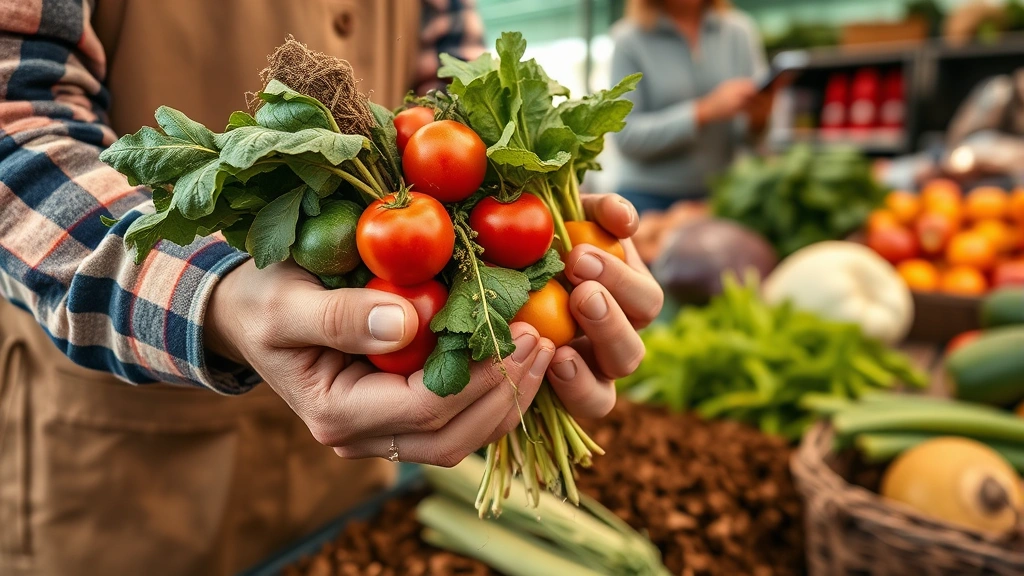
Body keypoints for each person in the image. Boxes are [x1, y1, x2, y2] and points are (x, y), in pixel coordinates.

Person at [0, 1, 663, 574]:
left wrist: (556, 253)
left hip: (354, 479)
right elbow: (14, 127)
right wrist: (218, 295)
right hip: (121, 483)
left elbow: (451, 103)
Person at [611, 0, 768, 213]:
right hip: (646, 199)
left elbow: (748, 138)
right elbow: (626, 136)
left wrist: (759, 118)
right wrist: (703, 111)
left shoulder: (739, 32)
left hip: (720, 197)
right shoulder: (628, 39)